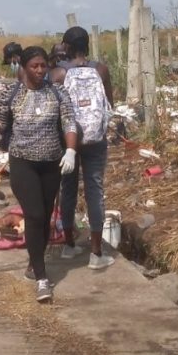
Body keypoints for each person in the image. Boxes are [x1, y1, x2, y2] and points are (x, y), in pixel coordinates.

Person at [0, 46, 77, 303]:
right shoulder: (13, 93)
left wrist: (72, 151)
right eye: (35, 66)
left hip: (51, 163)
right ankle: (42, 278)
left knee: (43, 219)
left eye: (43, 66)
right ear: (25, 67)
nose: (41, 71)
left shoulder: (57, 92)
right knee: (34, 214)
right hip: (23, 163)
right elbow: (1, 126)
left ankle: (34, 262)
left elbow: (69, 122)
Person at [50, 27, 115, 269]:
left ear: (65, 47)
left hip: (69, 141)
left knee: (68, 187)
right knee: (95, 190)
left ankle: (69, 246)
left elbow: (53, 110)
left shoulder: (57, 74)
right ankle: (96, 253)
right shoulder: (101, 70)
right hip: (96, 140)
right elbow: (109, 104)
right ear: (87, 45)